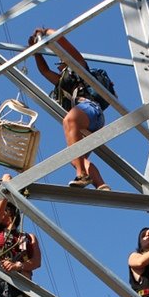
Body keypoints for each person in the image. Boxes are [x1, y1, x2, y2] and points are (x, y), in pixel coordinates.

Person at [29, 27, 110, 191]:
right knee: (75, 159)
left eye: (60, 62)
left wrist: (48, 32)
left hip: (90, 110)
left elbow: (65, 44)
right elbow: (44, 71)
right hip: (86, 122)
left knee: (69, 120)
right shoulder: (61, 82)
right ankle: (101, 184)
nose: (58, 65)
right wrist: (35, 51)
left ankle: (82, 176)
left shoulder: (79, 66)